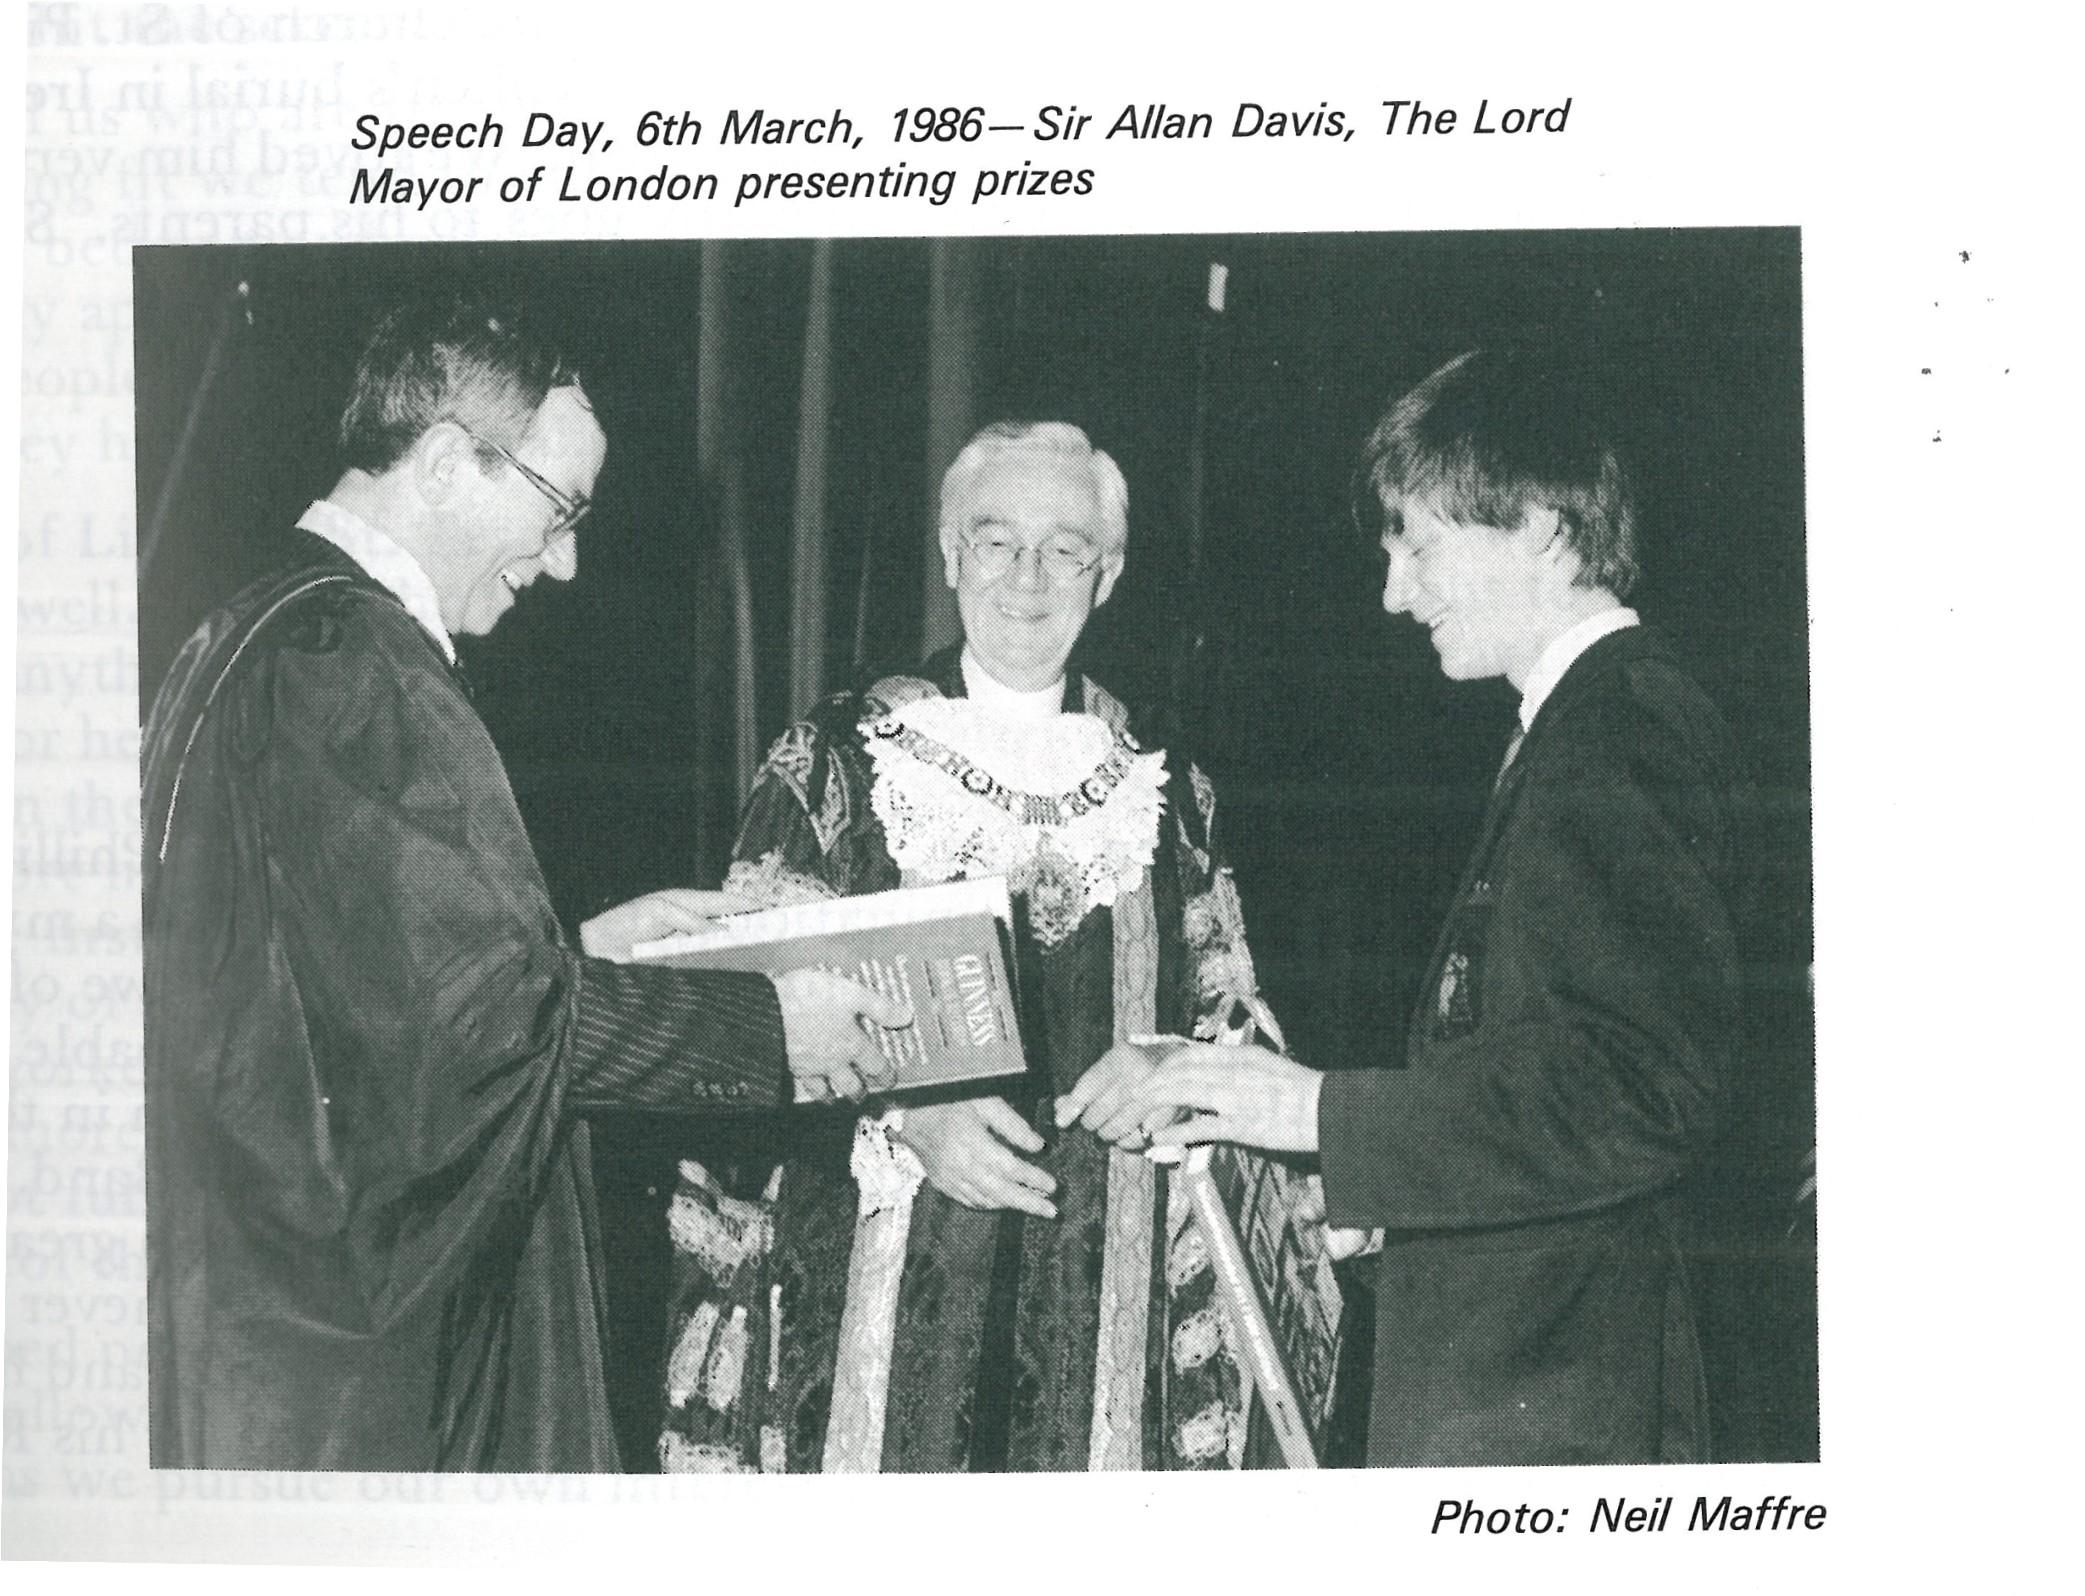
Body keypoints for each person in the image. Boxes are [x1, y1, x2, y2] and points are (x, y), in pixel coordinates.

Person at [141, 298, 910, 1471]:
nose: (566, 561)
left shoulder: (253, 627)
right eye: (560, 511)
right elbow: (487, 1035)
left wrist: (577, 953)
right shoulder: (354, 666)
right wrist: (769, 1027)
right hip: (354, 1379)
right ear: (450, 462)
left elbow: (362, 1007)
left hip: (260, 1322)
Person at [1066, 349, 1750, 1465]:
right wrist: (1381, 1200)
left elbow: (1637, 1091)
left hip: (1562, 1416)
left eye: (1419, 544)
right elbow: (1547, 1085)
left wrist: (1317, 1113)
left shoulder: (1618, 731)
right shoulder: (1579, 725)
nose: (1394, 591)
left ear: (1540, 530)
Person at [658, 422, 1333, 1472]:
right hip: (871, 1296)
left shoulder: (1169, 792)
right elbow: (738, 1026)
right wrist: (900, 1118)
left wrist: (1172, 1069)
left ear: (1108, 574)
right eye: (995, 541)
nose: (1028, 577)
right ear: (948, 555)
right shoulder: (836, 761)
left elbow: (1228, 1013)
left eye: (1065, 549)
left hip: (1104, 1315)